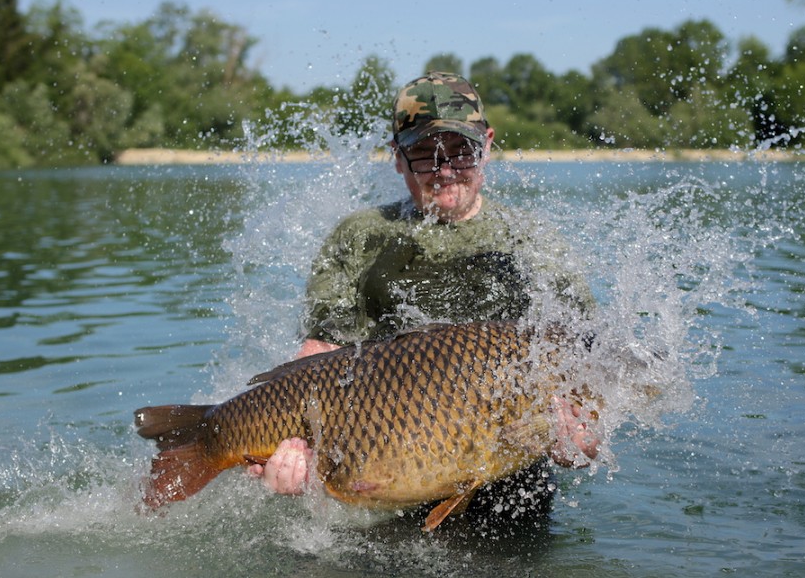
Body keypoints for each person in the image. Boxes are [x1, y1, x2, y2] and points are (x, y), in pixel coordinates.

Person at [250, 72, 600, 507]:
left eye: (461, 152)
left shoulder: (535, 243)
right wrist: (291, 449)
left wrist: (579, 444)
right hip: (383, 481)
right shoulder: (361, 236)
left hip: (510, 500)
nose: (446, 171)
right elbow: (319, 355)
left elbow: (590, 368)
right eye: (424, 155)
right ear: (397, 157)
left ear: (487, 145)